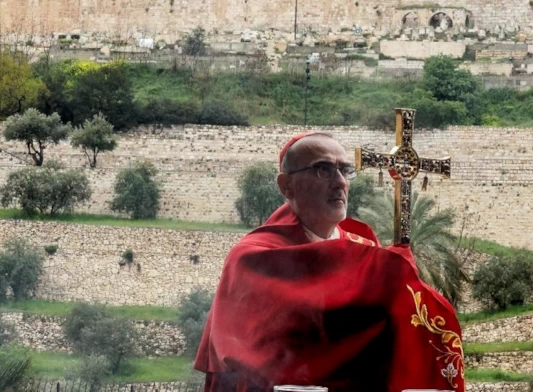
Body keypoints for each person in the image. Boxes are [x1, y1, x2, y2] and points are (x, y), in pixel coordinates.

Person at [194, 132, 465, 392]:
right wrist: (388, 272)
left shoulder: (366, 248)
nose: (340, 182)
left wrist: (399, 281)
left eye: (345, 171)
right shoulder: (253, 258)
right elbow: (267, 354)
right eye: (323, 169)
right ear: (286, 186)